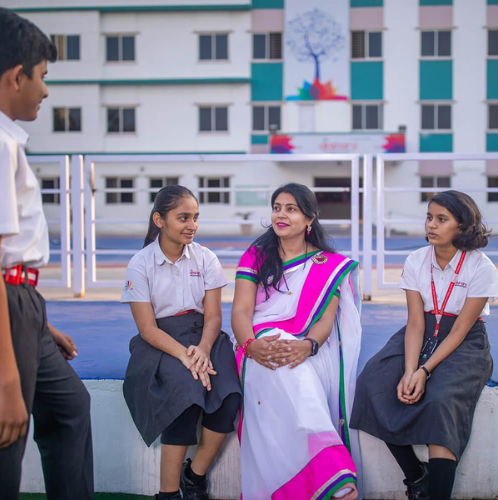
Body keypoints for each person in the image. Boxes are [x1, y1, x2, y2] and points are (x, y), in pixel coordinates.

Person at [351, 190, 498, 500]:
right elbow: (416, 323)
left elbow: (459, 330)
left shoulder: (481, 267)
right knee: (371, 383)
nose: (431, 225)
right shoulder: (416, 259)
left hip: (464, 340)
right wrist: (410, 371)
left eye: (442, 219)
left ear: (462, 226)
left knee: (440, 399)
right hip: (420, 333)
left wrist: (424, 371)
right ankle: (416, 476)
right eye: (430, 217)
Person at [0, 8, 94, 499]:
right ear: (16, 76)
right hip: (9, 305)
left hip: (24, 305)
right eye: (42, 76)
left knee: (69, 407)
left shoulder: (10, 143)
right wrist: (7, 382)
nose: (45, 90)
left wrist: (39, 321)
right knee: (7, 433)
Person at [232, 183, 362, 500]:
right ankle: (331, 473)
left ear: (309, 219)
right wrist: (250, 345)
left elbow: (325, 321)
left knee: (297, 368)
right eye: (277, 207)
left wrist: (309, 346)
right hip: (258, 339)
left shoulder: (328, 265)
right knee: (282, 356)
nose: (281, 214)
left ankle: (314, 475)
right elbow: (241, 311)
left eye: (291, 209)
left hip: (309, 343)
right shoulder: (256, 256)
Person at [121, 185, 242, 500]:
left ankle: (195, 476)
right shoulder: (140, 263)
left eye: (195, 217)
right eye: (183, 217)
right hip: (161, 341)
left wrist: (202, 350)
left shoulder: (205, 258)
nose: (192, 225)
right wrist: (185, 357)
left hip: (204, 337)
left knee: (229, 396)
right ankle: (168, 493)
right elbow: (147, 328)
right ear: (159, 220)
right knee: (184, 397)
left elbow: (213, 317)